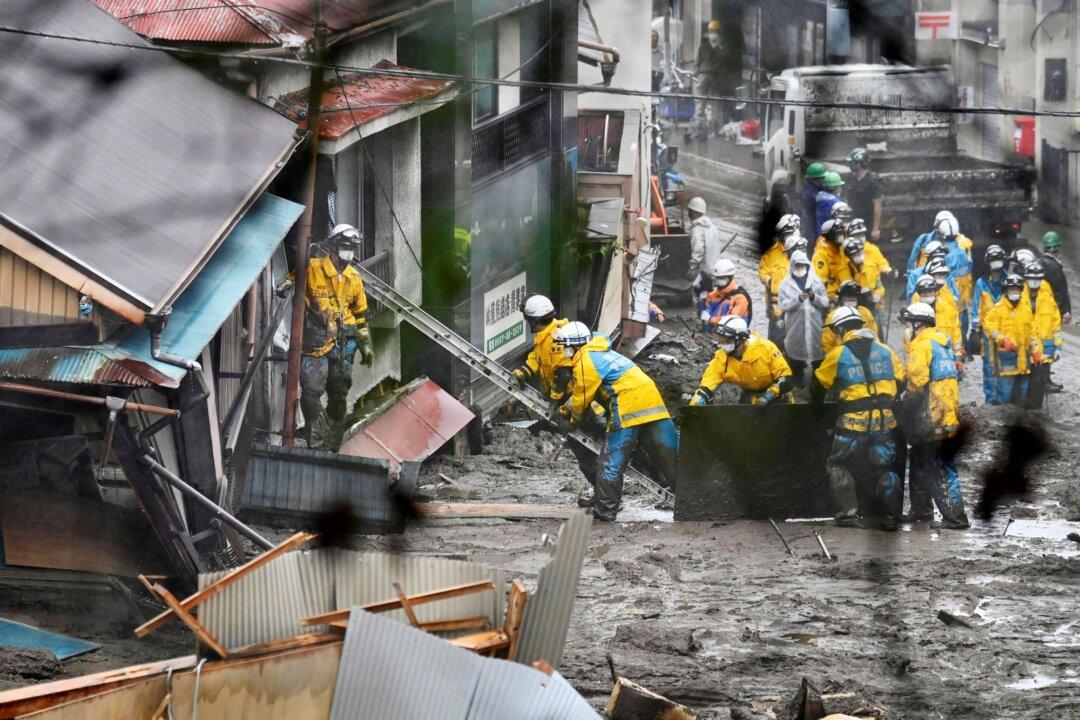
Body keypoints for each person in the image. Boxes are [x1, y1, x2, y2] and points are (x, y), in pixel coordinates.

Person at [554, 322, 679, 521]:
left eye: (565, 346)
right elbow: (586, 393)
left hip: (627, 404)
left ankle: (605, 509)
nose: (564, 351)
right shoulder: (601, 352)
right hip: (651, 399)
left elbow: (582, 398)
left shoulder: (584, 360)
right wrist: (565, 409)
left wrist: (571, 421)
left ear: (575, 345)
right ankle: (693, 499)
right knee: (671, 454)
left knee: (612, 461)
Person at [812, 307, 907, 530]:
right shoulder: (885, 350)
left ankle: (847, 515)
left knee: (837, 463)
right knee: (884, 468)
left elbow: (816, 388)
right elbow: (902, 381)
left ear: (841, 329)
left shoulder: (837, 354)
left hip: (851, 423)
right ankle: (890, 516)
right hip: (883, 422)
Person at [285, 224, 372, 450]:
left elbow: (360, 314)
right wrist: (286, 286)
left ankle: (333, 444)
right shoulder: (312, 268)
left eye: (352, 248)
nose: (348, 253)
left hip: (345, 342)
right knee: (311, 391)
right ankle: (317, 441)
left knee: (339, 393)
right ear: (333, 246)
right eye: (345, 247)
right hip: (315, 341)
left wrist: (365, 344)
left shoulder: (354, 277)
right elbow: (289, 283)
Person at [511, 297, 600, 487]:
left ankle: (602, 490)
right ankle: (602, 488)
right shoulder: (544, 336)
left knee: (584, 450)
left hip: (573, 399)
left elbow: (564, 374)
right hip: (569, 399)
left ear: (534, 320)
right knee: (583, 447)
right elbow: (536, 359)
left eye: (528, 319)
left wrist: (555, 400)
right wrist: (522, 373)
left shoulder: (556, 338)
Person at [899, 302, 969, 529]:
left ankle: (956, 518)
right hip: (945, 414)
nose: (906, 329)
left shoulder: (922, 345)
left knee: (938, 468)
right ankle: (921, 510)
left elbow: (916, 384)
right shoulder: (942, 345)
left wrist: (903, 411)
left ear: (918, 323)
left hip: (931, 417)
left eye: (908, 324)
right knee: (919, 460)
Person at [689, 315, 794, 406]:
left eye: (727, 341)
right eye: (721, 340)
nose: (723, 345)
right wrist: (696, 402)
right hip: (750, 399)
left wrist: (768, 396)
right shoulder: (721, 357)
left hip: (778, 399)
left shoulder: (766, 348)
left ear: (740, 339)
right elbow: (709, 380)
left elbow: (785, 377)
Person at [984, 274, 1040, 405]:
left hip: (1023, 360)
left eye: (1017, 289)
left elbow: (1032, 333)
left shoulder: (1026, 309)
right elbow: (989, 327)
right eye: (1011, 289)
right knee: (1005, 392)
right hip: (1006, 359)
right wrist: (1003, 340)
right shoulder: (998, 309)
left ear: (1021, 291)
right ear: (1006, 291)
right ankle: (999, 413)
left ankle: (1016, 415)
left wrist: (1036, 351)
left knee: (1022, 392)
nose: (1014, 292)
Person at [778, 250, 829, 386]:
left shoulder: (817, 282)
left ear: (807, 265)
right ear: (792, 265)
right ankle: (797, 385)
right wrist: (798, 299)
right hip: (795, 327)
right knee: (795, 359)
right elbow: (782, 305)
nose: (800, 267)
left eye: (803, 264)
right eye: (797, 265)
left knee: (818, 358)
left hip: (814, 326)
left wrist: (814, 297)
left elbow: (825, 302)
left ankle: (816, 387)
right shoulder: (785, 284)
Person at [970, 245, 1007, 403]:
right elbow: (976, 308)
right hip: (986, 334)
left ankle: (1003, 399)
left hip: (1005, 332)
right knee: (988, 367)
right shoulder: (981, 283)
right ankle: (990, 400)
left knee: (1005, 367)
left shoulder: (1010, 282)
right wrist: (975, 330)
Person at [1023, 261, 1062, 408]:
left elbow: (1055, 323)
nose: (1034, 282)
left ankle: (1035, 412)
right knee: (1022, 385)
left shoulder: (1047, 296)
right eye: (1031, 278)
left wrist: (1058, 346)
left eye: (1037, 279)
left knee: (1039, 385)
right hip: (1025, 350)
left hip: (1044, 350)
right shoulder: (1018, 295)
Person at [760, 214, 800, 347]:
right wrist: (768, 280)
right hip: (775, 303)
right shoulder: (771, 254)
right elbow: (763, 271)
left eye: (791, 233)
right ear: (781, 235)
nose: (789, 236)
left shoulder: (799, 250)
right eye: (786, 234)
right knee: (775, 337)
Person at [911, 271, 964, 369]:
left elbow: (955, 331)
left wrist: (958, 355)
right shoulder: (914, 313)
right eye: (924, 292)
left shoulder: (947, 309)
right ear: (919, 294)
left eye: (930, 291)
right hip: (923, 358)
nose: (927, 295)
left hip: (945, 358)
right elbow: (908, 338)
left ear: (936, 292)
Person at [823, 281, 879, 356]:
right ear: (841, 298)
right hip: (841, 355)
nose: (850, 299)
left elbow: (874, 336)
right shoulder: (833, 316)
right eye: (847, 297)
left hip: (864, 354)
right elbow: (826, 344)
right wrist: (837, 357)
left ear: (858, 299)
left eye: (853, 297)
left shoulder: (866, 313)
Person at [687, 196, 722, 316]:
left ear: (694, 211)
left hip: (704, 269)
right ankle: (711, 316)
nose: (688, 213)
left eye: (689, 210)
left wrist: (692, 267)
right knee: (711, 293)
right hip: (715, 268)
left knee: (701, 293)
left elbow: (698, 250)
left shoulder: (697, 229)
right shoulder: (712, 227)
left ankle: (703, 318)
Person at [694, 20, 729, 136]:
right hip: (704, 77)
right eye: (711, 32)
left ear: (719, 34)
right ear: (708, 34)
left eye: (715, 32)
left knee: (716, 105)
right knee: (701, 104)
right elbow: (697, 63)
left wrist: (719, 47)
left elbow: (724, 64)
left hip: (716, 79)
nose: (713, 35)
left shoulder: (722, 49)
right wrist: (698, 74)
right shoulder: (703, 47)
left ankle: (715, 130)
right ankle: (699, 130)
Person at [846, 148, 884, 242]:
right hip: (854, 221)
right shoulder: (852, 179)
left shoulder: (873, 181)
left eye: (853, 163)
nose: (851, 165)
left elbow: (877, 205)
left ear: (860, 164)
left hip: (868, 223)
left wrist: (875, 229)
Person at [704, 258, 752, 330]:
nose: (718, 280)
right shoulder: (713, 294)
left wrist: (711, 319)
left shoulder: (740, 297)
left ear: (730, 277)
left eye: (721, 277)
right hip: (716, 328)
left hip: (733, 332)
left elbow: (731, 322)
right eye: (717, 277)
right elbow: (707, 309)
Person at [1040, 231, 1072, 325]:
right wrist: (1065, 311)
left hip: (1041, 309)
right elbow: (1059, 291)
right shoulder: (1054, 267)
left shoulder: (1039, 263)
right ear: (1055, 248)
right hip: (1053, 310)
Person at [814, 172, 845, 237]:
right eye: (839, 186)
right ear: (833, 188)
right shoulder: (836, 203)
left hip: (819, 233)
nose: (841, 189)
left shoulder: (819, 196)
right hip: (830, 236)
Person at [802, 163, 827, 234]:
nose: (823, 180)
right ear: (814, 179)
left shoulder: (813, 189)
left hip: (811, 224)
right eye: (822, 178)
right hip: (812, 227)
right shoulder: (811, 194)